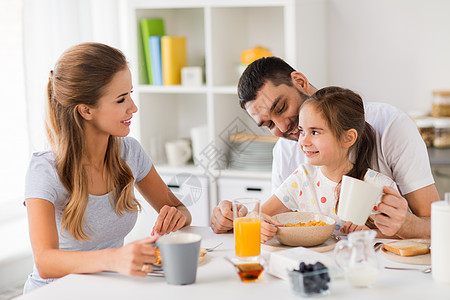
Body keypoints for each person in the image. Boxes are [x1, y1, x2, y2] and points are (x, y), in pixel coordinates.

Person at [23, 42, 191, 293]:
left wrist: (178, 215)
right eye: (121, 99)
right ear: (86, 110)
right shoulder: (45, 170)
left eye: (130, 94)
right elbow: (45, 261)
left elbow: (179, 209)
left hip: (107, 290)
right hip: (54, 293)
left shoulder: (130, 152)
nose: (133, 107)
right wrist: (115, 258)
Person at [210, 56, 439, 239]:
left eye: (281, 107)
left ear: (300, 82)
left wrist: (403, 225)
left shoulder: (390, 126)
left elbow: (436, 224)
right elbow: (269, 220)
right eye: (268, 124)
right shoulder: (286, 153)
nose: (283, 128)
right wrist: (232, 220)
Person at [258, 86, 398, 242]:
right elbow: (256, 215)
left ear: (348, 138)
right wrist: (259, 225)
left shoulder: (379, 187)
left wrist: (372, 233)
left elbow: (403, 235)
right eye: (302, 131)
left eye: (315, 132)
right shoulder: (302, 179)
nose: (303, 141)